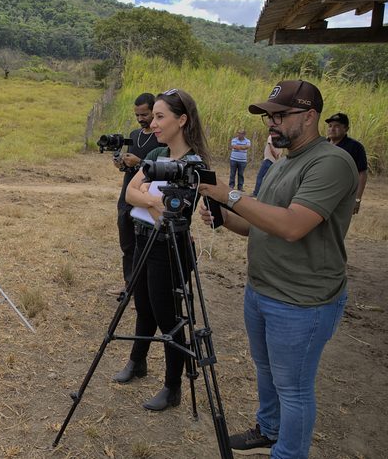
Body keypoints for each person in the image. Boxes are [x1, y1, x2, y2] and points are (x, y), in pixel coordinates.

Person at [198, 80, 357, 458]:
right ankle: (269, 429)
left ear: (310, 116)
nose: (272, 122)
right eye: (270, 115)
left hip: (302, 301)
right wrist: (222, 216)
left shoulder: (332, 162)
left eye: (281, 115)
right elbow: (259, 224)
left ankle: (288, 453)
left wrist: (229, 195)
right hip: (263, 291)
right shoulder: (284, 162)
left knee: (294, 388)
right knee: (267, 372)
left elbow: (290, 226)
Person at [111, 88, 211, 411]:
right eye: (152, 116)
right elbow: (130, 193)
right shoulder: (157, 156)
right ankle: (138, 361)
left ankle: (173, 387)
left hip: (169, 248)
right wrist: (155, 200)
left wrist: (150, 199)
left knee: (169, 318)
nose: (153, 124)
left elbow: (178, 211)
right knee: (142, 305)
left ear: (181, 120)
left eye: (159, 116)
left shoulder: (194, 165)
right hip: (143, 239)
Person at [106, 92, 163, 299]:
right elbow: (129, 169)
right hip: (127, 195)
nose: (140, 119)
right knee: (127, 242)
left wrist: (139, 162)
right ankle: (129, 284)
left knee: (147, 244)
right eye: (137, 115)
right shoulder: (135, 135)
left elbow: (161, 169)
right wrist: (122, 164)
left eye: (145, 114)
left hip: (149, 199)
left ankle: (145, 288)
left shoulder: (160, 138)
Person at [326, 112, 368, 214]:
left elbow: (362, 173)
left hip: (343, 196)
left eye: (337, 126)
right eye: (330, 126)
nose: (332, 129)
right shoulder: (322, 145)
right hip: (321, 192)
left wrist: (357, 199)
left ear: (346, 129)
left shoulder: (355, 147)